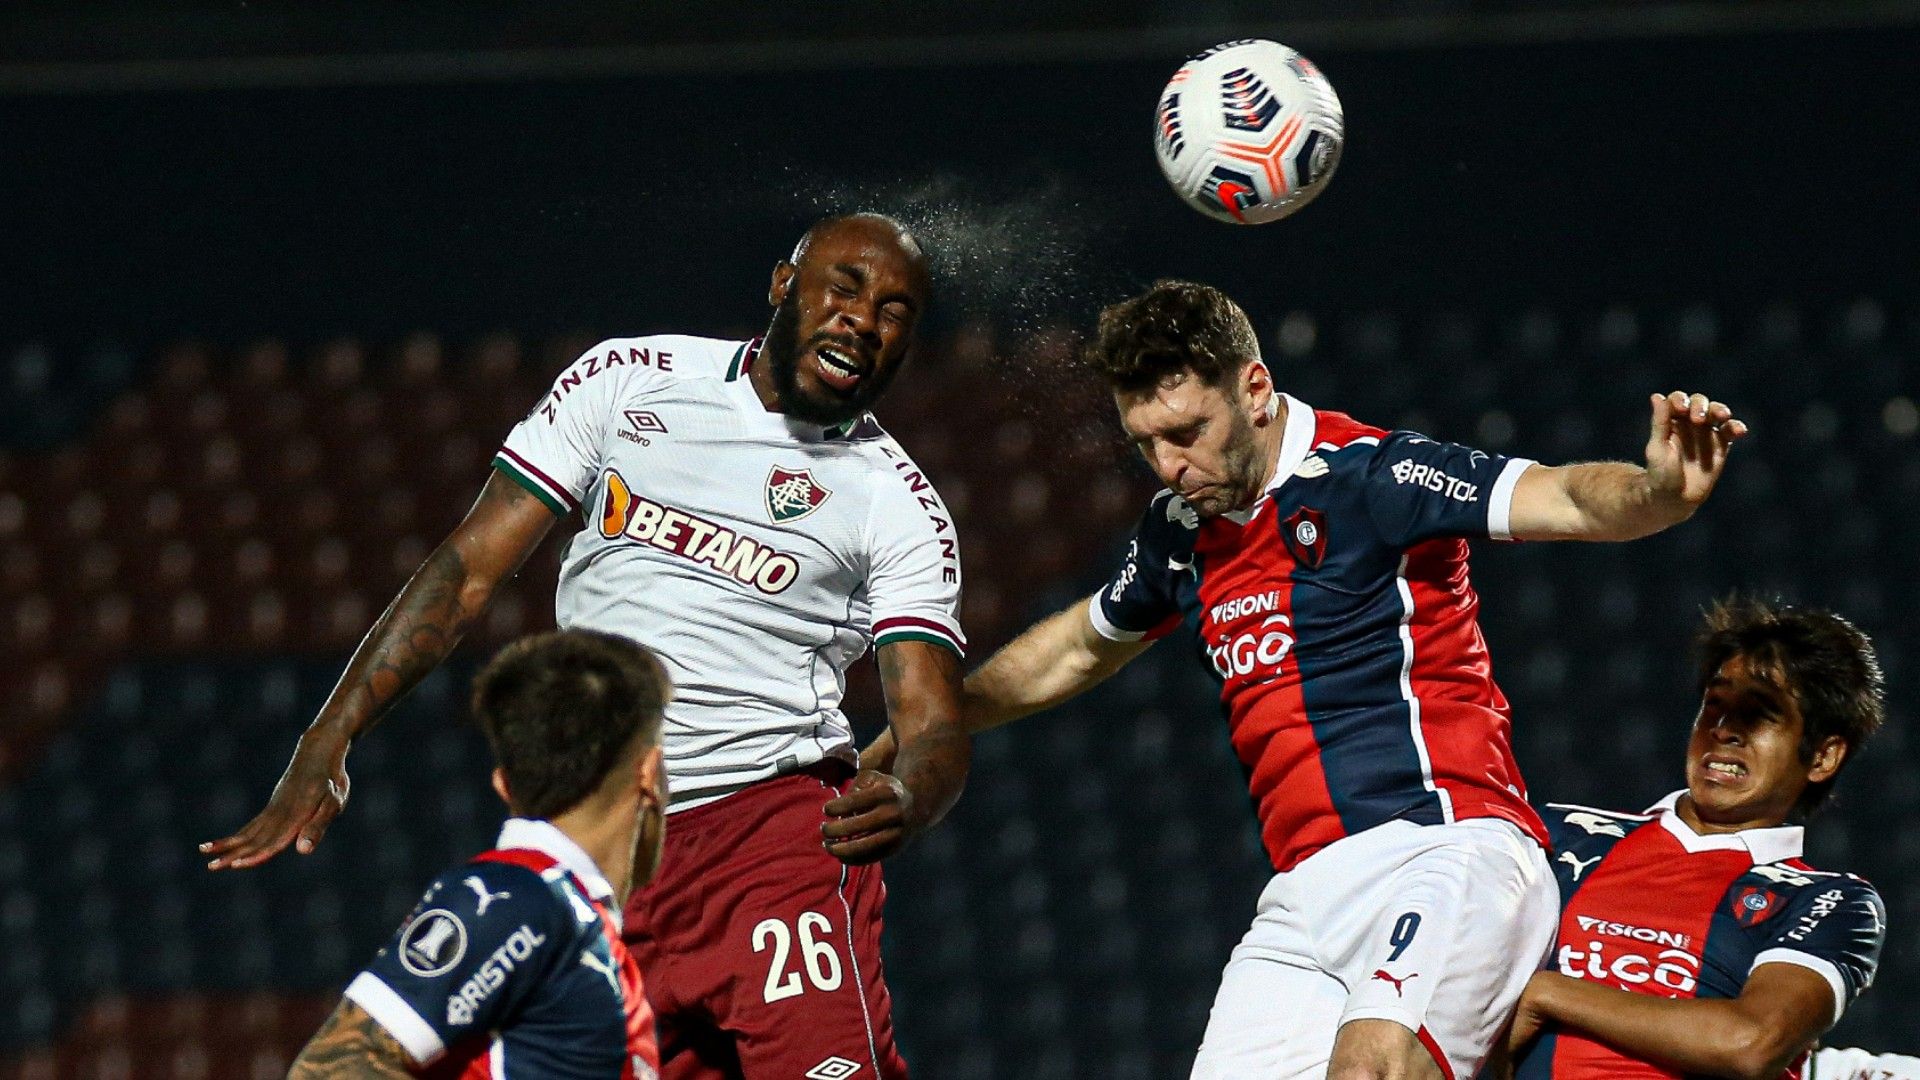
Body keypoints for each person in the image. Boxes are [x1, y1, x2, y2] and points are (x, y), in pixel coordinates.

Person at [866, 279, 1749, 1080]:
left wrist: (1658, 493)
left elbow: (1565, 498)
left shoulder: (1374, 478)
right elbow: (1079, 645)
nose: (1171, 466)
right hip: (1305, 895)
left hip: (1444, 851)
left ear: (1254, 391)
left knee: (1370, 1071)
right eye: (1146, 445)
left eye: (1187, 434)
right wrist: (937, 714)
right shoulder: (1181, 528)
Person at [211, 213, 972, 1079]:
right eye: (845, 288)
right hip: (602, 842)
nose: (863, 320)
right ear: (781, 284)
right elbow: (465, 573)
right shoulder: (628, 379)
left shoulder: (896, 504)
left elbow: (932, 722)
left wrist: (912, 795)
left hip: (769, 843)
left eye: (895, 311)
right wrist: (330, 732)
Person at [1508, 598, 1887, 1080]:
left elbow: (1751, 1043)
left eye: (1760, 714)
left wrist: (1550, 994)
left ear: (1822, 758)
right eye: (1716, 704)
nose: (1724, 730)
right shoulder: (1563, 834)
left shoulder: (1830, 900)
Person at [290, 628, 670, 1078]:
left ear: (503, 785)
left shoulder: (572, 916)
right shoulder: (516, 898)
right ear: (650, 772)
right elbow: (332, 1068)